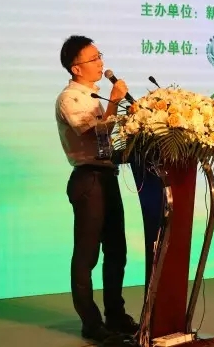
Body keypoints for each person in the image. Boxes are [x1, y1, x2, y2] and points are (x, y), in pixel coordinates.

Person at [55, 35, 139, 343]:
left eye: (100, 55)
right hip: (88, 180)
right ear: (76, 68)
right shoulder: (69, 98)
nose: (101, 62)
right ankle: (91, 323)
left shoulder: (94, 97)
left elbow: (106, 143)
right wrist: (115, 101)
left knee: (117, 250)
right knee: (87, 254)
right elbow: (93, 134)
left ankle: (115, 315)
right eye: (93, 58)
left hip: (106, 176)